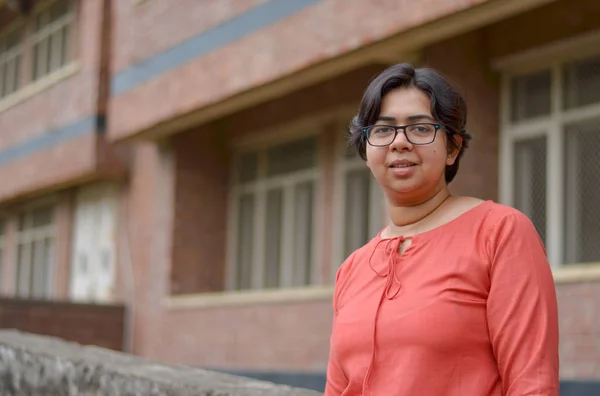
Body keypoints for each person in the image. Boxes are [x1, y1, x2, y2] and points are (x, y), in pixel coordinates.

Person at [325, 63, 559, 396]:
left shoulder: (500, 233)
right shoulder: (352, 269)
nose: (399, 142)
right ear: (366, 150)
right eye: (382, 129)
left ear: (452, 148)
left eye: (420, 128)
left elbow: (532, 383)